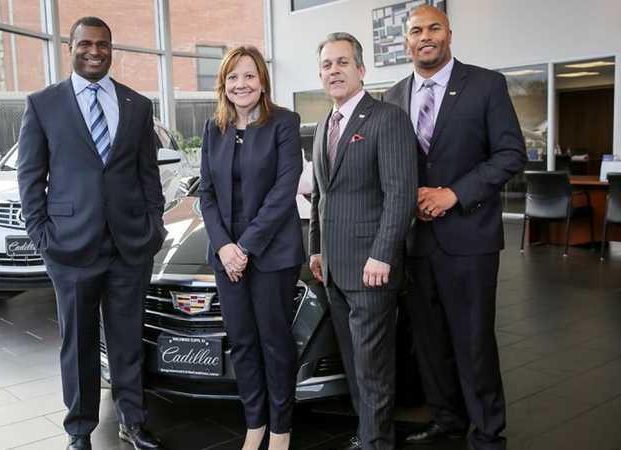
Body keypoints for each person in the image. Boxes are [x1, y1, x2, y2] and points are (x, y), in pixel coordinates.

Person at [17, 16, 166, 450]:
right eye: (86, 44)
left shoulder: (137, 105)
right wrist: (43, 237)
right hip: (70, 247)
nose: (95, 51)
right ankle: (79, 431)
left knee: (126, 342)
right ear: (71, 46)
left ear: (111, 48)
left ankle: (132, 422)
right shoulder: (43, 104)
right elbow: (30, 179)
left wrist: (153, 226)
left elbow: (147, 175)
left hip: (130, 245)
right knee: (78, 346)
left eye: (103, 44)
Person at [383, 6, 527, 450]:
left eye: (433, 28)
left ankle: (487, 431)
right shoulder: (391, 97)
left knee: (473, 340)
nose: (425, 37)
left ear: (449, 34)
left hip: (469, 237)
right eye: (415, 31)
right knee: (428, 342)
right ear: (405, 41)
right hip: (416, 240)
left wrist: (453, 194)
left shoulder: (485, 85)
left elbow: (510, 154)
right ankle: (446, 421)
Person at [308, 32, 417, 450]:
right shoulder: (324, 125)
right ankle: (366, 434)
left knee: (372, 363)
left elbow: (400, 194)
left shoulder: (386, 118)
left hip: (372, 268)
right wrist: (317, 249)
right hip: (335, 268)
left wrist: (382, 254)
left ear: (360, 69)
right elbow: (321, 194)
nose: (333, 70)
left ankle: (377, 442)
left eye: (341, 62)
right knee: (353, 363)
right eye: (326, 65)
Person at [198, 45, 303, 450]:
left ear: (262, 81)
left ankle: (280, 430)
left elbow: (283, 191)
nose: (241, 84)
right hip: (228, 256)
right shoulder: (214, 128)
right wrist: (225, 247)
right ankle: (254, 423)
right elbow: (206, 194)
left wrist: (245, 247)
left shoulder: (284, 123)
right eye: (232, 77)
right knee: (241, 341)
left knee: (274, 342)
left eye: (248, 75)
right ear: (223, 85)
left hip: (272, 251)